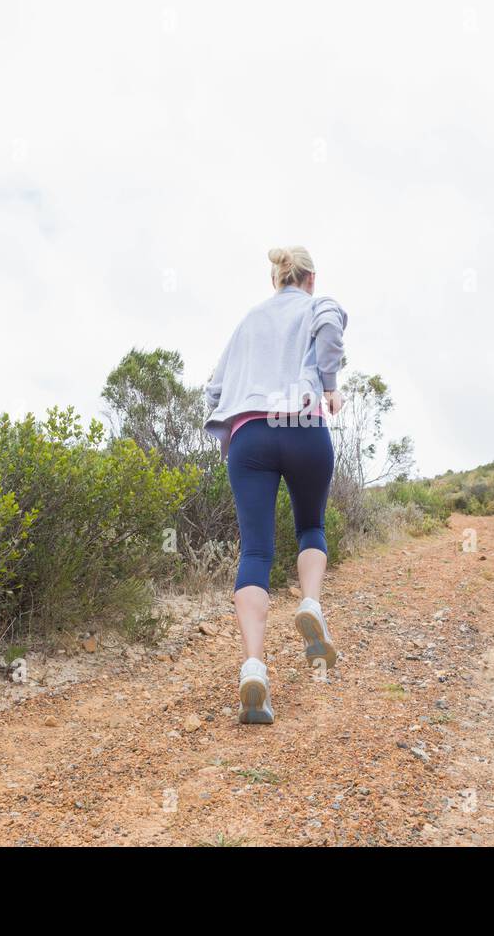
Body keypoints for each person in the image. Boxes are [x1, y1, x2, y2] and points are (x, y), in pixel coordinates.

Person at [204, 246, 347, 724]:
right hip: (302, 425)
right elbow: (330, 321)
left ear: (276, 280)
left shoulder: (249, 321)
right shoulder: (315, 304)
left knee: (256, 552)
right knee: (310, 525)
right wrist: (327, 383)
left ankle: (254, 670)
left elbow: (213, 387)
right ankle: (310, 603)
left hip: (251, 437)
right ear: (310, 278)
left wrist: (230, 432)